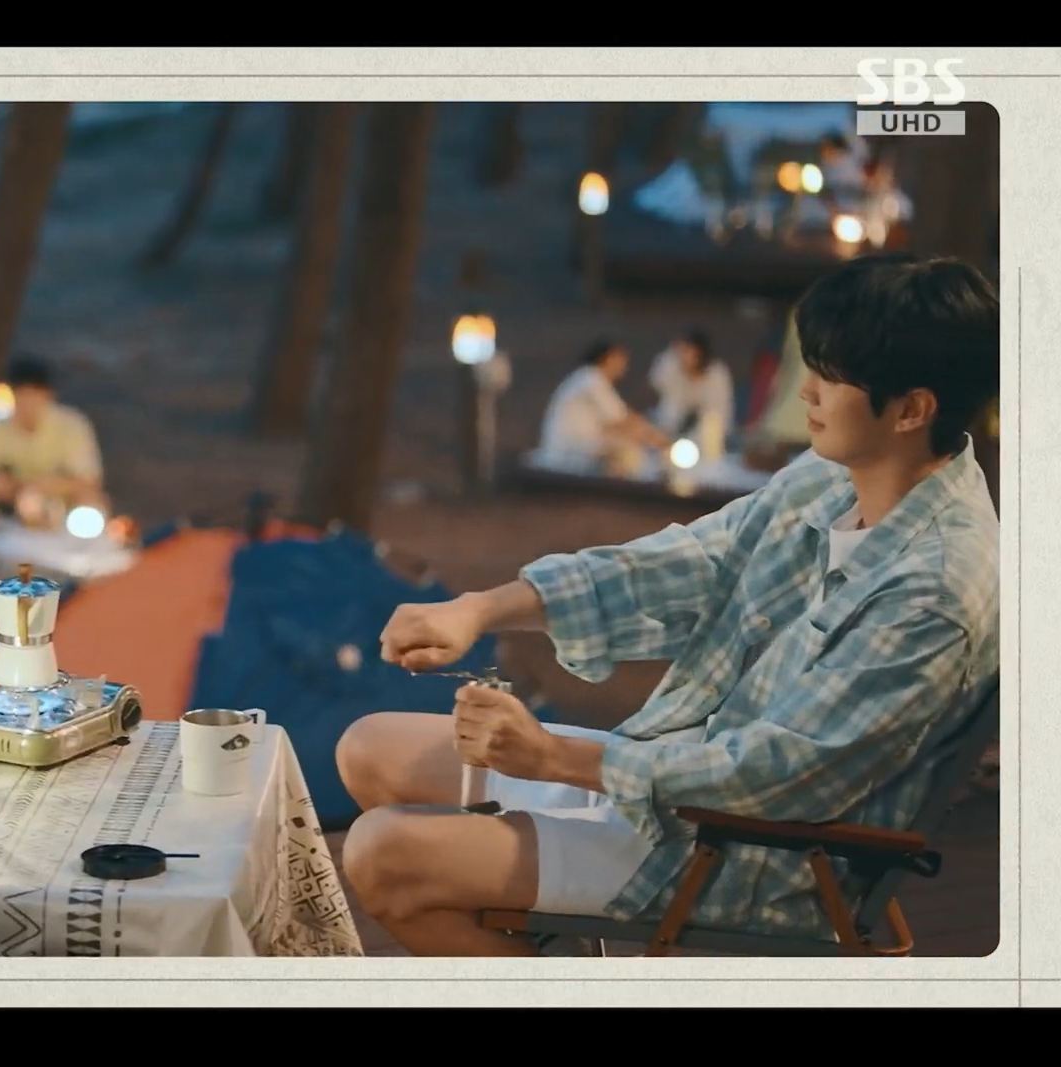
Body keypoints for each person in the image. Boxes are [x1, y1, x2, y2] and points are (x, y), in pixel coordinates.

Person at [340, 253, 998, 956]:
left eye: (831, 376)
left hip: (753, 854)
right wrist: (478, 610)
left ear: (912, 409)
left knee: (384, 855)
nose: (805, 391)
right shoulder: (837, 474)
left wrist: (553, 758)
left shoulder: (935, 587)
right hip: (672, 777)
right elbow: (689, 562)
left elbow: (777, 775)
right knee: (368, 749)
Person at [0, 356, 105, 518]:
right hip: (0, 515)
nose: (28, 403)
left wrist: (49, 486)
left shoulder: (72, 426)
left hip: (63, 515)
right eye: (21, 394)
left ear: (49, 395)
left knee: (93, 505)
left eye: (34, 394)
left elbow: (90, 480)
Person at [532, 339, 669, 477]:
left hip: (574, 450)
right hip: (567, 452)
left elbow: (618, 420)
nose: (625, 366)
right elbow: (622, 419)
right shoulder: (591, 378)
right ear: (609, 358)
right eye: (621, 359)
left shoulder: (587, 378)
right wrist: (659, 439)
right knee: (630, 453)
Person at [648, 328, 735, 444]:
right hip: (672, 437)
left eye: (687, 350)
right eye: (680, 350)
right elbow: (668, 405)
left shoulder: (717, 375)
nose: (681, 355)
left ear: (699, 353)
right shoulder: (672, 367)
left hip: (709, 440)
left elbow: (719, 416)